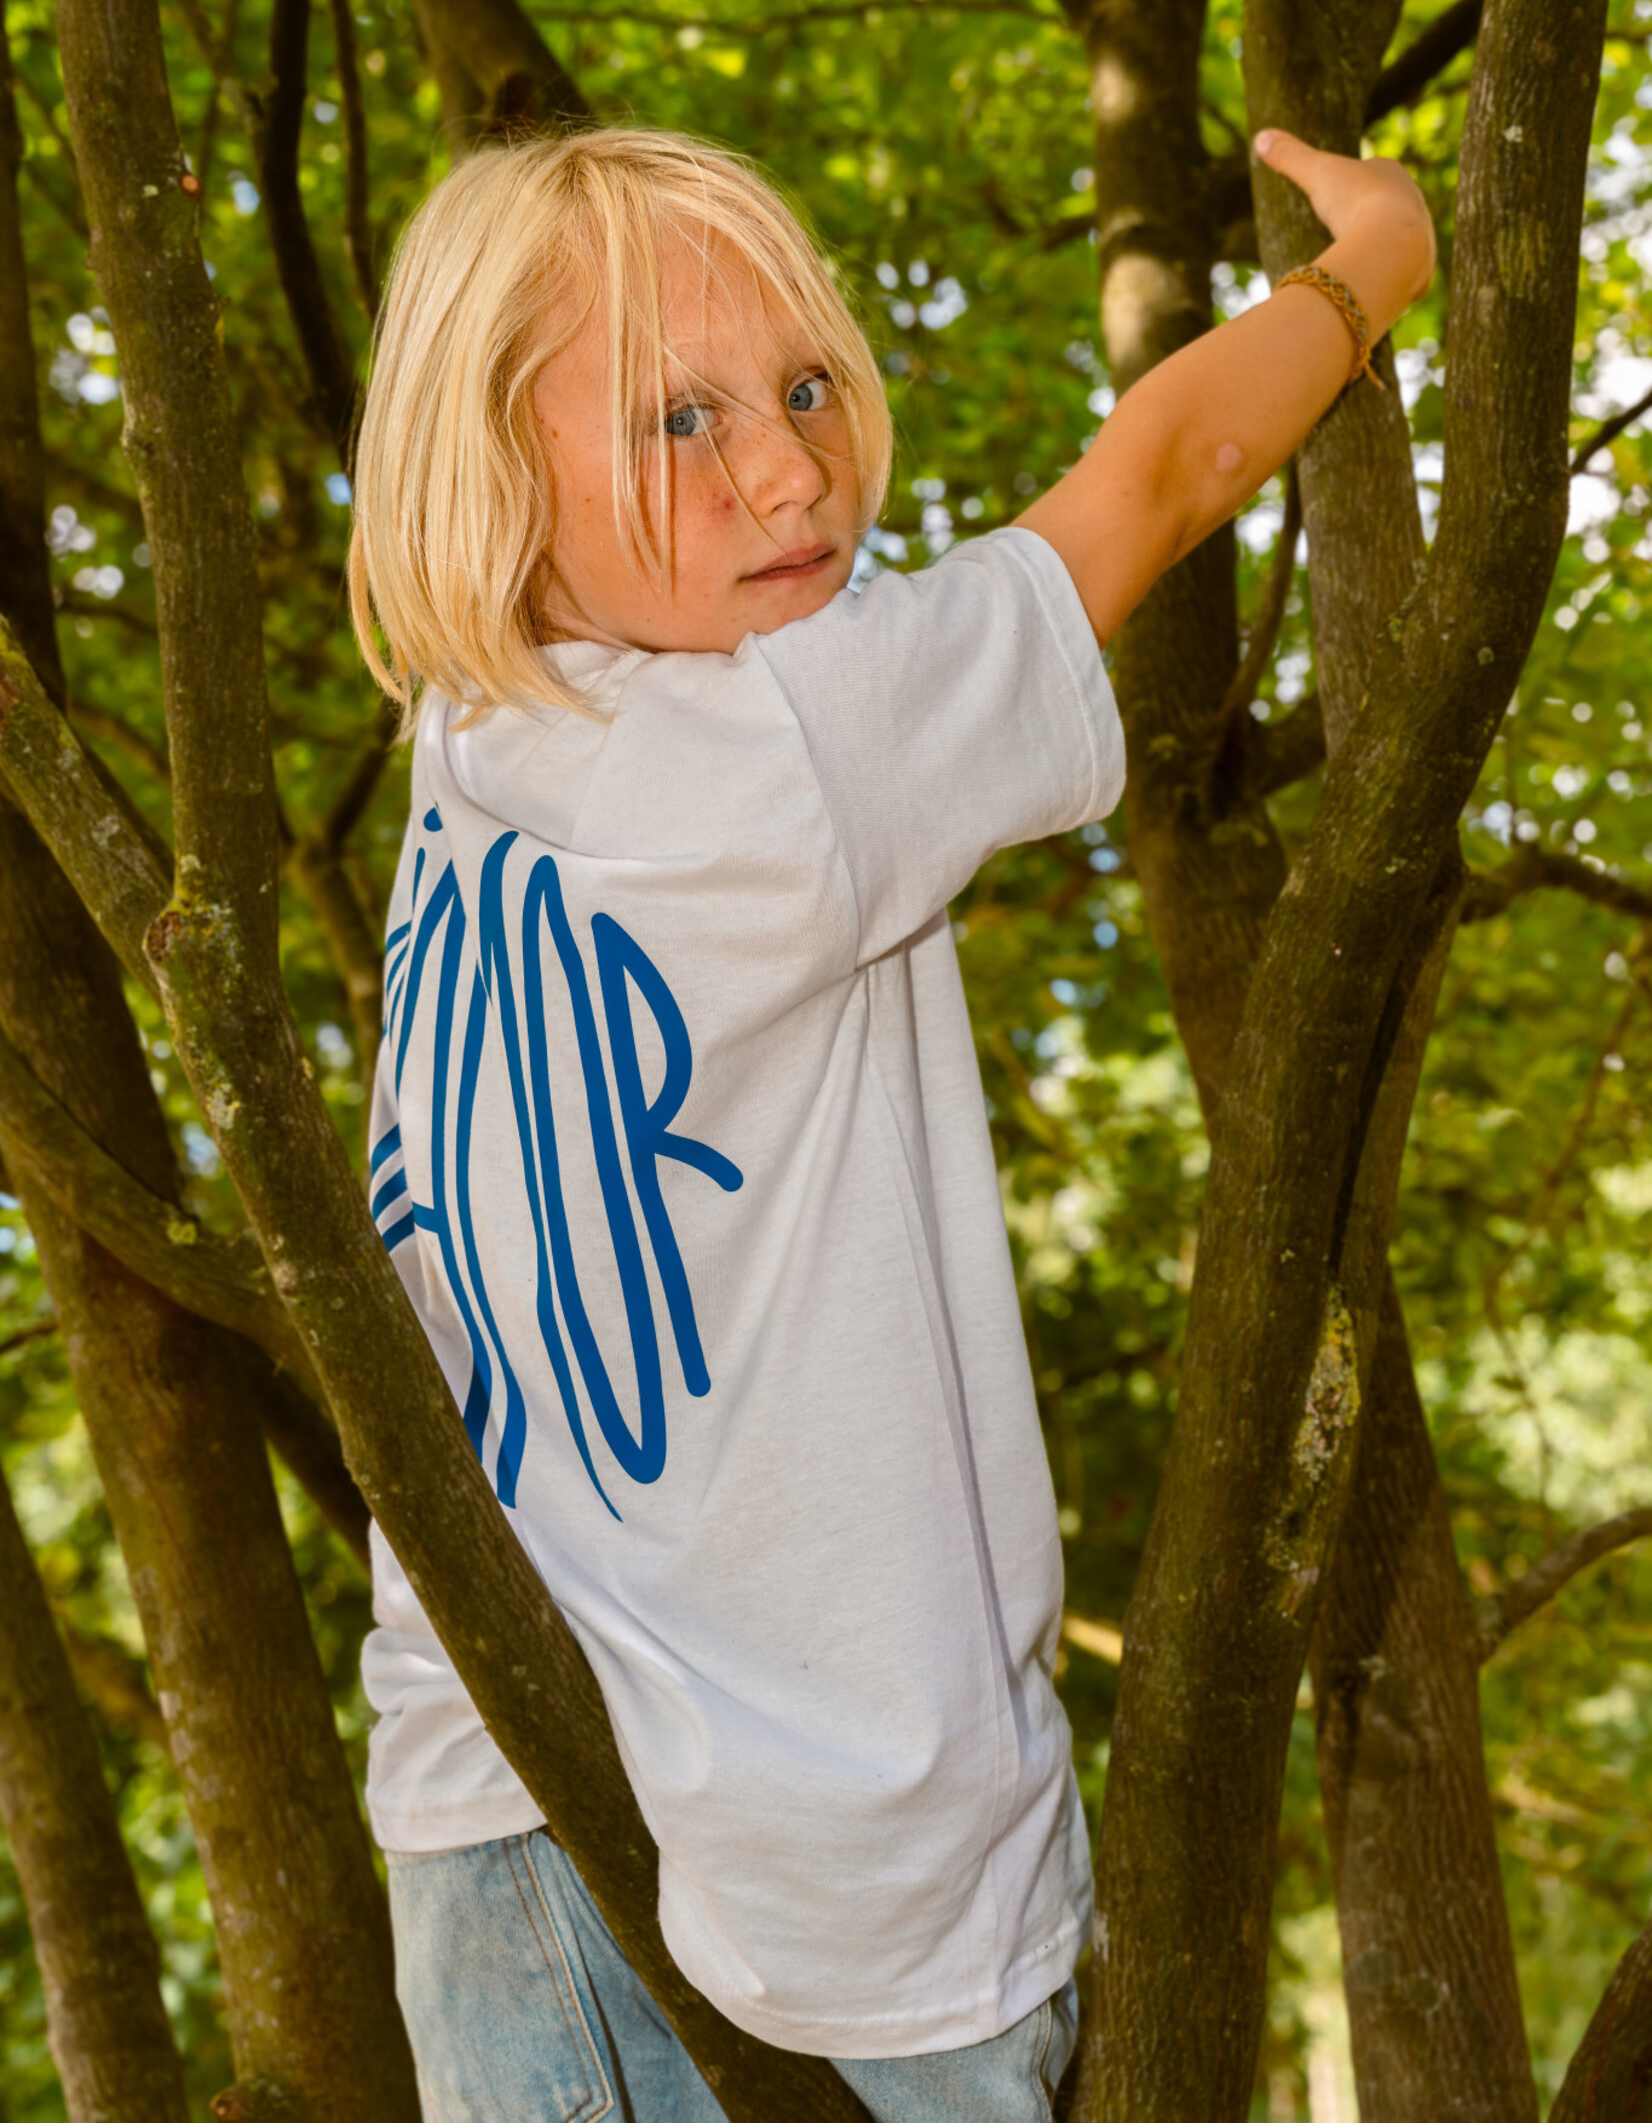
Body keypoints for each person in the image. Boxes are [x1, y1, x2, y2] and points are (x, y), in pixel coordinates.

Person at [347, 121, 1434, 2123]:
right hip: (833, 1887)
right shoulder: (801, 736)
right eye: (678, 415)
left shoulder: (468, 753)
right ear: (483, 480)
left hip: (481, 1798)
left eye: (806, 386)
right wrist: (1372, 262)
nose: (787, 468)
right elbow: (1163, 475)